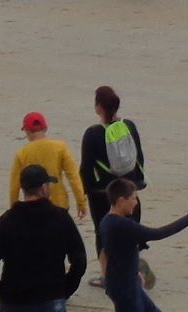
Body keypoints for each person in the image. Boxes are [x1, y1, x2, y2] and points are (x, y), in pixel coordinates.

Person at [0, 161, 87, 310]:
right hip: (50, 296)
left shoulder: (8, 220)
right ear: (43, 188)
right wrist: (66, 288)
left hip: (14, 298)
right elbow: (79, 258)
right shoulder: (60, 218)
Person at [96, 178, 188, 312]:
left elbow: (105, 253)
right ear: (121, 201)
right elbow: (158, 234)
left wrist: (131, 274)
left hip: (127, 283)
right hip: (125, 289)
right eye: (133, 198)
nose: (135, 203)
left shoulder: (106, 221)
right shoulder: (123, 226)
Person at [80, 85, 144, 285]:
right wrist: (136, 183)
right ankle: (132, 271)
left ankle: (107, 276)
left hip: (102, 193)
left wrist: (86, 191)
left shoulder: (92, 133)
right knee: (130, 231)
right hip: (129, 189)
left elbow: (86, 167)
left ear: (98, 107)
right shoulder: (129, 126)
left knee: (103, 234)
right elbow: (139, 157)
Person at [5, 112, 88, 216]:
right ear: (45, 128)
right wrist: (81, 202)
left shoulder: (21, 153)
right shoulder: (60, 147)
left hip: (33, 205)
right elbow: (73, 177)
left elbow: (14, 186)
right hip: (59, 203)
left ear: (27, 131)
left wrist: (14, 209)